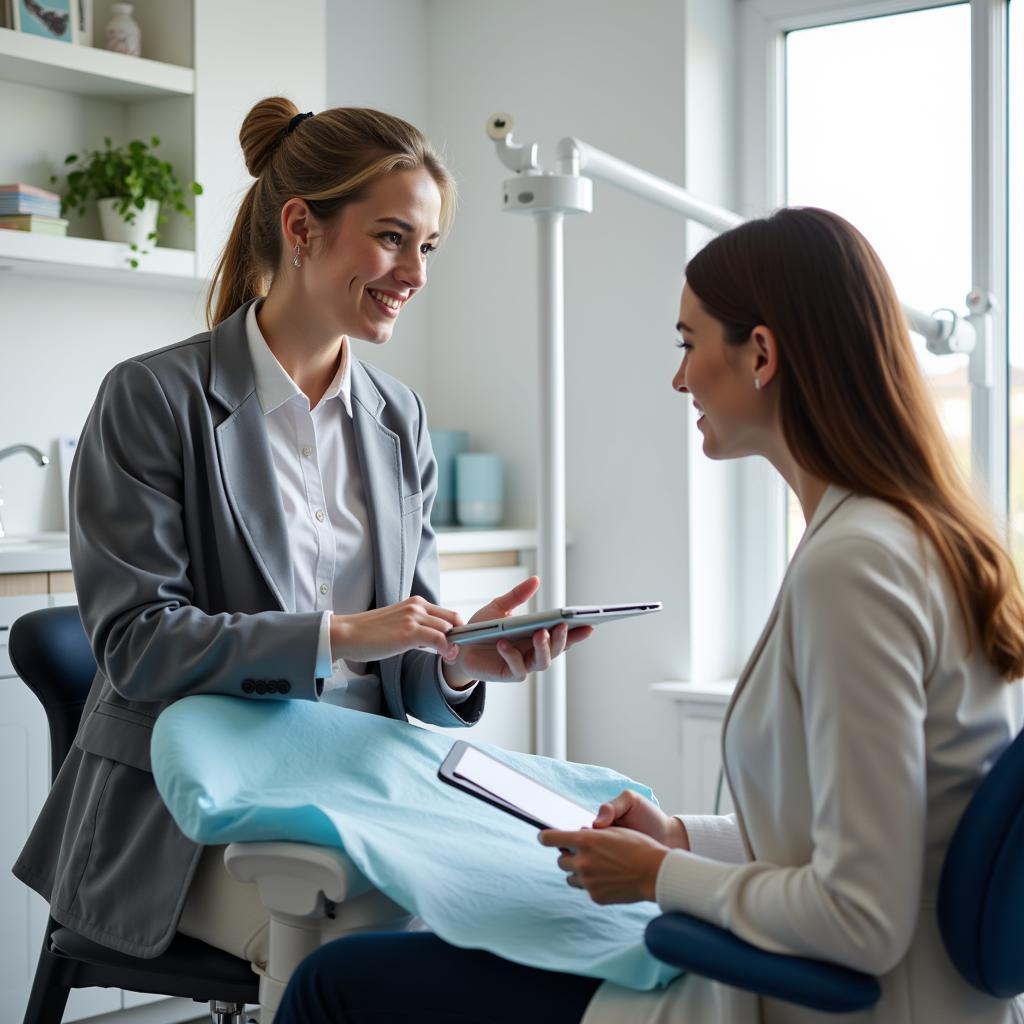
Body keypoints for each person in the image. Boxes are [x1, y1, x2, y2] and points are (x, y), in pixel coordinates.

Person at [272, 207, 1024, 1024]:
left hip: (813, 1003)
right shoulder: (897, 538)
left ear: (762, 354)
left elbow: (862, 916)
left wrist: (655, 877)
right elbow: (852, 839)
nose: (680, 379)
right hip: (855, 986)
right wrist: (677, 836)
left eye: (688, 344)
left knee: (334, 984)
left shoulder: (858, 567)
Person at [12, 97, 590, 967]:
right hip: (193, 813)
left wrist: (460, 658)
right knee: (374, 946)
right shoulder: (153, 399)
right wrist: (344, 634)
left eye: (426, 247)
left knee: (532, 890)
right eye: (393, 238)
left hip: (360, 786)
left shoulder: (401, 419)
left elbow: (407, 665)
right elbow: (137, 644)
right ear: (301, 227)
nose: (416, 273)